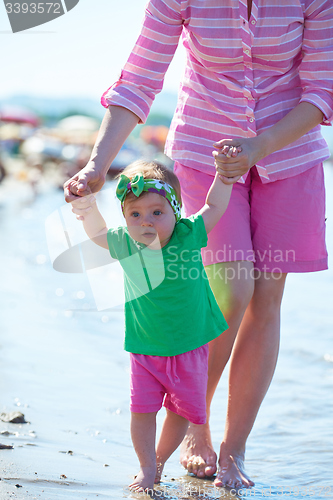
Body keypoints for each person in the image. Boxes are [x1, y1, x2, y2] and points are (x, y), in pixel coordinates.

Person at [64, 0, 333, 489]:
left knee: (266, 300)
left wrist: (261, 145)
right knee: (231, 292)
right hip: (203, 150)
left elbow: (323, 88)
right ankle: (195, 425)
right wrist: (98, 163)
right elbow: (139, 78)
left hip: (291, 154)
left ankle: (234, 449)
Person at [69, 159, 233, 492]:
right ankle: (145, 467)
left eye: (157, 213)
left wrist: (225, 176)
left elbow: (214, 205)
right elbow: (98, 231)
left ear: (175, 211)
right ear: (126, 218)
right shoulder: (125, 243)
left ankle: (158, 463)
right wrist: (85, 205)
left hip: (190, 346)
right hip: (145, 348)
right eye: (135, 214)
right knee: (142, 410)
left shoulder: (188, 235)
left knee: (181, 412)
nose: (146, 222)